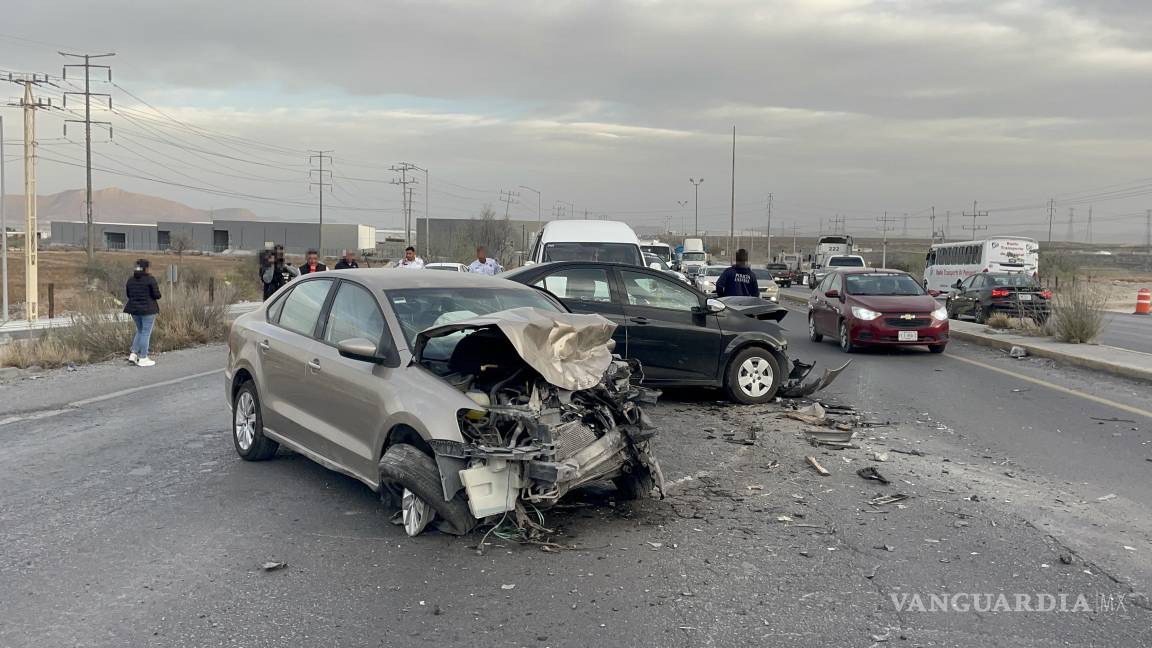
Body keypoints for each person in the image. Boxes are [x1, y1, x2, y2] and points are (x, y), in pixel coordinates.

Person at [124, 258, 161, 367]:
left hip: (134, 309)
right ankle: (143, 357)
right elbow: (157, 295)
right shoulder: (150, 279)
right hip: (148, 310)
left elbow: (128, 294)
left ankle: (133, 354)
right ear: (146, 268)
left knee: (140, 331)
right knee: (145, 332)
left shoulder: (130, 280)